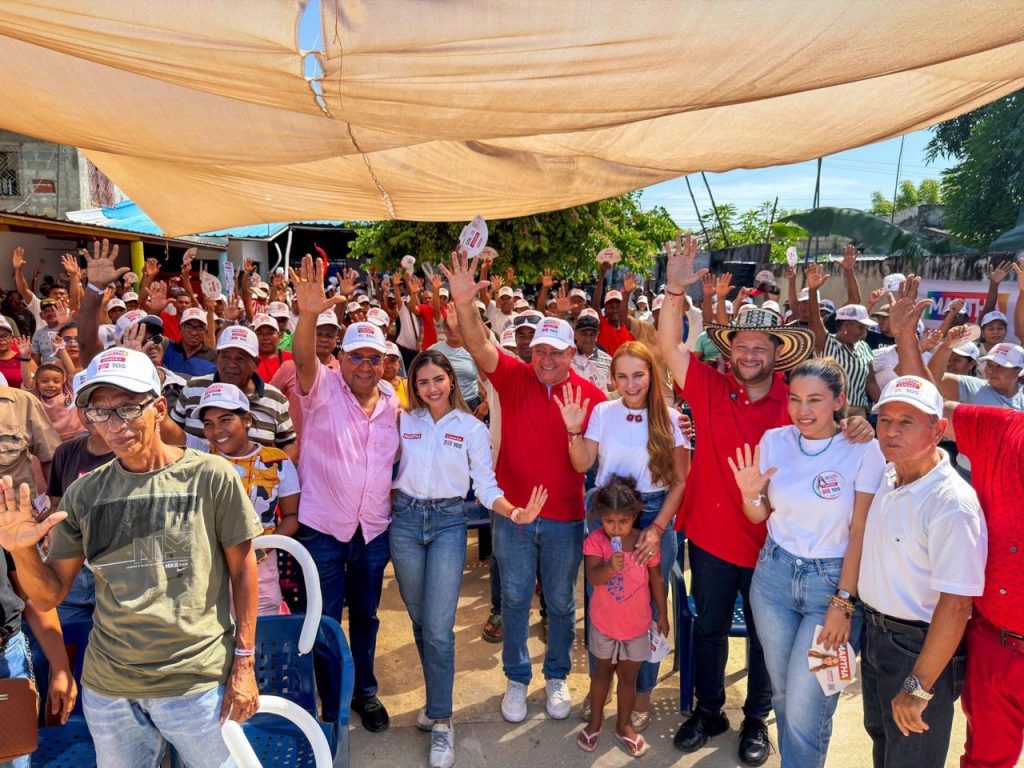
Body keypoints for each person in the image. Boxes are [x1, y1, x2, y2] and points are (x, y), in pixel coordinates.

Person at [658, 234, 873, 765]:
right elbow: (668, 349)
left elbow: (837, 435)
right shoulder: (709, 386)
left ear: (777, 353)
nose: (750, 353)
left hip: (774, 548)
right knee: (708, 630)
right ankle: (709, 710)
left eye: (761, 347)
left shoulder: (795, 402)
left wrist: (859, 425)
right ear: (729, 350)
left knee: (763, 642)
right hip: (711, 538)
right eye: (742, 345)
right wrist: (674, 290)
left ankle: (756, 720)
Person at [0, 346, 263, 768]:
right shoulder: (84, 493)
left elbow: (244, 570)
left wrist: (245, 662)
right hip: (110, 690)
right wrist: (21, 551)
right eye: (99, 412)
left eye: (127, 408)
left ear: (159, 408)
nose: (114, 425)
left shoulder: (210, 476)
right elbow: (49, 596)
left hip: (197, 682)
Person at [441, 250, 606, 724]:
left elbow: (603, 449)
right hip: (512, 515)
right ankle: (516, 679)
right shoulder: (513, 376)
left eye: (556, 352)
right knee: (513, 600)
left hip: (564, 520)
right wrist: (465, 303)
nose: (546, 359)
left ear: (572, 355)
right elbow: (477, 344)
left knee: (561, 603)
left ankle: (556, 676)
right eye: (540, 351)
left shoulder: (593, 398)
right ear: (531, 351)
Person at [391, 349, 548, 768]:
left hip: (447, 524)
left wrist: (514, 512)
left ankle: (443, 720)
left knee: (439, 629)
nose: (431, 388)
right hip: (405, 522)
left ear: (451, 380)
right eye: (422, 382)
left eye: (437, 379)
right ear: (414, 386)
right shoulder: (404, 420)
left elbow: (485, 486)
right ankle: (434, 699)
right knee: (421, 622)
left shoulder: (472, 429)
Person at [728, 358, 885, 767]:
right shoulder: (774, 440)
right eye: (795, 399)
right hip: (773, 579)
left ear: (839, 401)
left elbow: (860, 530)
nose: (803, 410)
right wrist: (749, 494)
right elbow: (759, 515)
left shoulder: (863, 448)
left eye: (815, 399)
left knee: (809, 702)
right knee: (783, 694)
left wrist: (844, 602)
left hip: (831, 586)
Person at [288, 258, 400, 733]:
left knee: (367, 617)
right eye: (357, 357)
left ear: (385, 362)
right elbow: (301, 358)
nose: (366, 366)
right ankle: (332, 702)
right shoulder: (322, 387)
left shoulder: (393, 401)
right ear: (342, 358)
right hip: (323, 531)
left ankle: (364, 692)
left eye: (375, 358)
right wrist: (309, 314)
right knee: (325, 618)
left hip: (372, 531)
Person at [556, 340, 688, 729]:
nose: (631, 384)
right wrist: (573, 430)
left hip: (653, 512)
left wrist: (657, 528)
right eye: (623, 376)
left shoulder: (671, 418)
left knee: (650, 606)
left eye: (638, 375)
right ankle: (602, 682)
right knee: (603, 599)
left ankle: (642, 691)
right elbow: (582, 462)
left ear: (651, 375)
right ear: (612, 378)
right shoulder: (603, 412)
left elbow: (681, 481)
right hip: (608, 513)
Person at [857, 374, 986, 768]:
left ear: (938, 430)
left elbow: (956, 604)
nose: (891, 432)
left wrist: (919, 685)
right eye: (885, 420)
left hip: (917, 649)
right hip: (876, 636)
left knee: (911, 758)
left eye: (906, 422)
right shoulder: (889, 474)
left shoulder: (952, 504)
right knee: (884, 745)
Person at [577, 476, 669, 759]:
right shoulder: (596, 542)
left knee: (628, 679)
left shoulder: (643, 544)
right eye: (609, 521)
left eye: (623, 521)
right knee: (601, 674)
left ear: (635, 517)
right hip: (604, 626)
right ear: (601, 518)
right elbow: (592, 577)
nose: (616, 528)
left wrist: (663, 615)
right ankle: (595, 723)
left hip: (636, 627)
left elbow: (656, 580)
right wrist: (609, 568)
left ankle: (623, 725)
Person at [196, 383, 299, 616]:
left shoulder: (277, 461)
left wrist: (260, 552)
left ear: (248, 420)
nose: (216, 430)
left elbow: (292, 517)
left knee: (261, 633)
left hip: (260, 570)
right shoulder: (200, 459)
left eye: (225, 420)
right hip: (210, 572)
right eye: (208, 424)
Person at [169, 325, 297, 460]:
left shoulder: (276, 399)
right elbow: (171, 432)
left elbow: (289, 444)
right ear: (217, 358)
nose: (231, 364)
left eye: (240, 358)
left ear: (256, 363)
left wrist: (276, 468)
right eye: (225, 357)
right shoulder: (192, 389)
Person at [0, 548, 78, 768]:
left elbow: (32, 592)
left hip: (8, 660)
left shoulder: (5, 526)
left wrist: (61, 667)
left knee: (13, 758)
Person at [806, 264, 876, 417]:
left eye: (866, 328)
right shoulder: (827, 343)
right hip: (829, 412)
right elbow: (814, 320)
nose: (864, 332)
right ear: (845, 325)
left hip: (858, 413)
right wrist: (812, 291)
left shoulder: (864, 347)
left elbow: (870, 383)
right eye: (860, 327)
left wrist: (884, 405)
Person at [270, 310, 342, 448]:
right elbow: (269, 398)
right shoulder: (290, 367)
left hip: (328, 450)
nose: (324, 339)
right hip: (292, 449)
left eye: (329, 335)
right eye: (319, 334)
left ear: (335, 340)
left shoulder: (342, 371)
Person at [429, 312, 482, 413]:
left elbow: (488, 380)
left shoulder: (474, 349)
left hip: (471, 405)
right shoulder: (433, 350)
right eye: (448, 326)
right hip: (442, 404)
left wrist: (486, 403)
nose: (452, 330)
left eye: (456, 326)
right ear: (443, 328)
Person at [32, 363, 84, 441]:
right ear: (37, 384)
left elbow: (72, 373)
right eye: (44, 381)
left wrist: (63, 354)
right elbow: (27, 382)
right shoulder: (36, 397)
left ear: (62, 383)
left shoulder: (69, 391)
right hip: (52, 439)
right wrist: (25, 360)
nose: (50, 384)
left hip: (78, 435)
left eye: (56, 381)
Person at [161, 306, 217, 378]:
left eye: (199, 328)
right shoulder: (168, 348)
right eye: (189, 327)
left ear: (205, 331)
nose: (194, 333)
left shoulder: (214, 357)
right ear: (180, 329)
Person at [571, 310, 612, 392]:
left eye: (592, 335)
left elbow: (611, 389)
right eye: (584, 334)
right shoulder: (566, 356)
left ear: (597, 335)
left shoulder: (608, 360)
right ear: (575, 334)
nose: (588, 338)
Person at [252, 313, 292, 382]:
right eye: (260, 333)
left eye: (270, 333)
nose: (265, 338)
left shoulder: (291, 359)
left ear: (280, 336)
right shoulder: (248, 361)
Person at [0, 318, 31, 389]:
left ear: (12, 338)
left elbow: (33, 386)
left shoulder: (24, 357)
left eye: (4, 336)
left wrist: (25, 359)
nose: (0, 340)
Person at [382, 341, 409, 409]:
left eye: (393, 360)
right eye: (385, 361)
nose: (388, 365)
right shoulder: (371, 387)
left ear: (399, 363)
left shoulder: (409, 385)